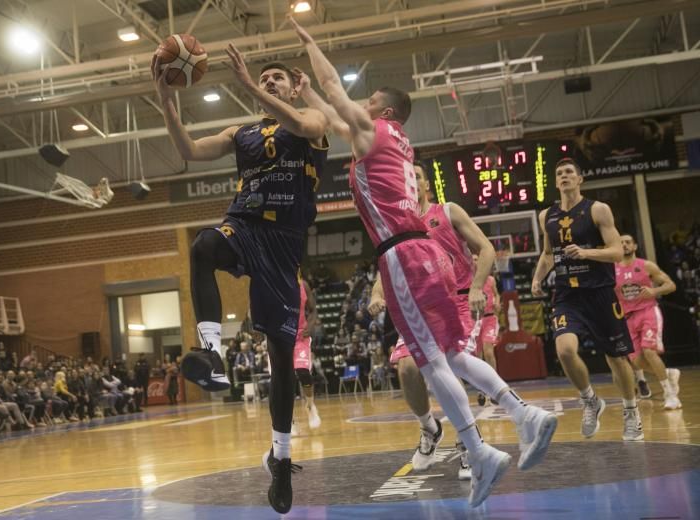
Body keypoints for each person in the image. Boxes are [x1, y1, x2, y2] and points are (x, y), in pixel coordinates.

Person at [290, 16, 554, 507]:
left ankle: (478, 449)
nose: (360, 103)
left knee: (429, 362)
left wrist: (308, 43)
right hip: (427, 254)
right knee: (451, 356)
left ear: (383, 109)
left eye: (367, 100)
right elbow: (328, 107)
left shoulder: (375, 130)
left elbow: (333, 88)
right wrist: (307, 94)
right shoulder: (398, 145)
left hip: (401, 256)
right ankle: (524, 416)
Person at [154, 36, 328, 515]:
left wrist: (252, 84)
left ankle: (282, 454)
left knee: (279, 355)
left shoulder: (312, 124)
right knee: (203, 245)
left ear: (295, 87)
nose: (270, 81)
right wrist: (168, 98)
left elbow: (303, 119)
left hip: (284, 242)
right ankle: (211, 353)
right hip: (244, 223)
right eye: (264, 76)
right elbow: (188, 149)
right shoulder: (241, 132)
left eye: (278, 78)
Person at [367, 162, 517, 480]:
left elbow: (487, 249)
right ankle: (429, 429)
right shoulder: (395, 225)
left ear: (425, 186)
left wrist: (477, 286)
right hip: (416, 307)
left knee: (450, 366)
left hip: (457, 300)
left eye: (416, 177)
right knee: (406, 369)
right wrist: (375, 296)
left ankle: (469, 445)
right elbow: (385, 269)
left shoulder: (447, 211)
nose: (410, 181)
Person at [532, 158, 642, 441]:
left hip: (600, 292)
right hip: (567, 294)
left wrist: (586, 253)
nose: (564, 176)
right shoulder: (547, 216)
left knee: (616, 358)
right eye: (559, 173)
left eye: (569, 171)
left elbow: (617, 251)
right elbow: (547, 253)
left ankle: (631, 412)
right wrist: (537, 278)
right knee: (565, 350)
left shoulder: (597, 210)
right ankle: (590, 400)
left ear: (580, 179)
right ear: (555, 182)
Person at [615, 234, 681, 409]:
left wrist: (655, 291)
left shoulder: (646, 266)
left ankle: (670, 395)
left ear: (635, 246)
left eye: (628, 242)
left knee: (649, 351)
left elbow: (671, 285)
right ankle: (668, 373)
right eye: (621, 243)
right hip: (628, 318)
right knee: (636, 362)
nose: (624, 245)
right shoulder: (612, 270)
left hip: (648, 312)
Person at [294, 276, 321, 430]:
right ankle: (288, 420)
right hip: (281, 337)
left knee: (303, 372)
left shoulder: (302, 284)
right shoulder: (274, 281)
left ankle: (310, 406)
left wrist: (310, 325)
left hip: (300, 336)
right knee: (284, 379)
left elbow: (313, 309)